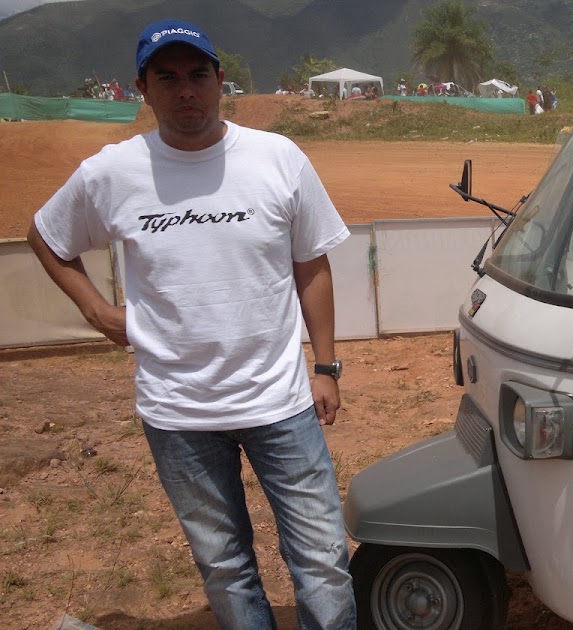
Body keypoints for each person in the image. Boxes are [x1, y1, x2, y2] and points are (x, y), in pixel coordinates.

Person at [25, 18, 355, 630]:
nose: (186, 91)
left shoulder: (277, 158)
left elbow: (312, 265)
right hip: (178, 414)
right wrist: (95, 309)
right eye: (167, 78)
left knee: (324, 559)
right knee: (226, 566)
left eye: (198, 75)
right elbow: (46, 236)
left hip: (279, 403)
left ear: (220, 81)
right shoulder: (113, 172)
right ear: (142, 88)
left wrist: (327, 367)